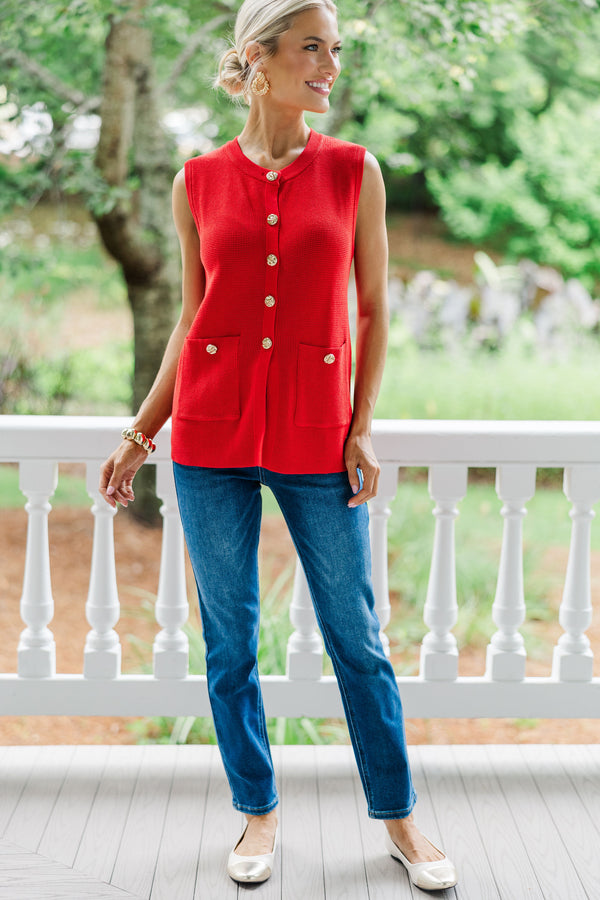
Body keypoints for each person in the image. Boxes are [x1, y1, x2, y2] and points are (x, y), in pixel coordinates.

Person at [100, 0, 458, 890]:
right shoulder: (195, 181)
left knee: (356, 638)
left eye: (335, 49)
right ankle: (256, 811)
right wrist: (142, 432)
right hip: (210, 436)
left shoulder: (354, 171)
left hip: (317, 436)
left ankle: (400, 818)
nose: (329, 65)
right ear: (259, 59)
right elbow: (192, 319)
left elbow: (373, 308)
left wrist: (361, 424)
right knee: (230, 645)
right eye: (311, 48)